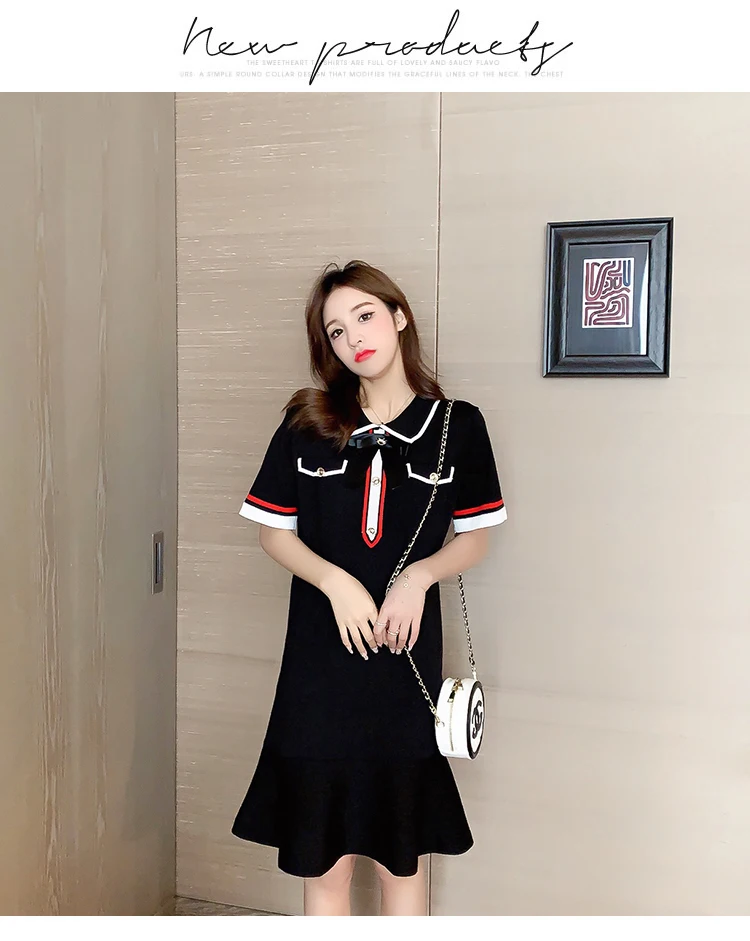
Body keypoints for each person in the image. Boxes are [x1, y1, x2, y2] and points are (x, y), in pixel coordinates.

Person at [231, 259, 507, 916]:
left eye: (364, 316)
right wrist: (335, 583)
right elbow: (273, 532)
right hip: (318, 671)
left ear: (398, 315)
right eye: (335, 330)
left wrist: (419, 575)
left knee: (400, 856)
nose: (353, 337)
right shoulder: (307, 422)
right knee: (324, 861)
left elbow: (475, 537)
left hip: (403, 665)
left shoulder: (457, 427)